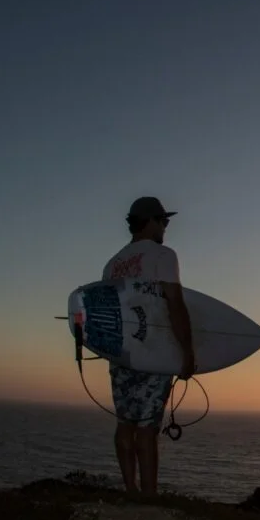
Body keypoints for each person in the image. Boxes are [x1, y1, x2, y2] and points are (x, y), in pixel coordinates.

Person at [102, 196, 196, 496]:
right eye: (163, 221)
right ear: (151, 221)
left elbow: (109, 314)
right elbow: (175, 304)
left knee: (125, 421)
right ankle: (149, 496)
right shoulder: (163, 255)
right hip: (155, 352)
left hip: (122, 354)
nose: (166, 227)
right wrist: (187, 351)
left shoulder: (112, 264)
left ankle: (130, 489)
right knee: (147, 426)